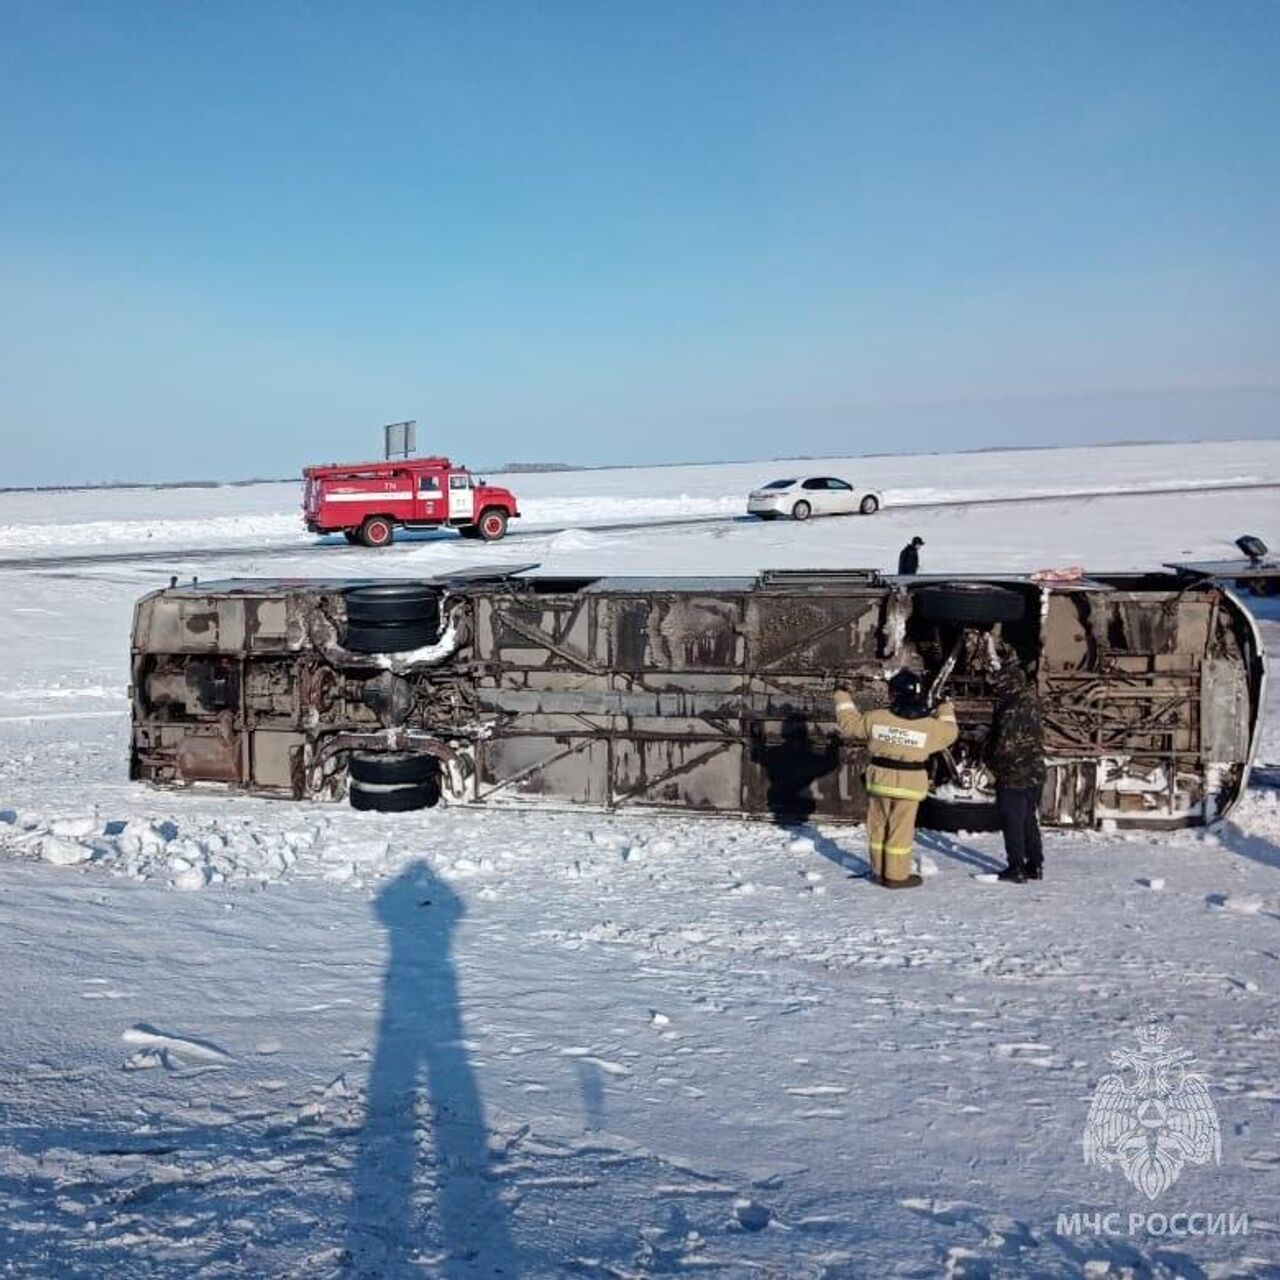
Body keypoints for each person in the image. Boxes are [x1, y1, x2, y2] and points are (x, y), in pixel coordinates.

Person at [833, 671, 959, 888]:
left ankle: (878, 871)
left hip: (880, 782)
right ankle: (896, 876)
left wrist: (841, 695)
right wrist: (945, 706)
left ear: (893, 695)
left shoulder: (876, 718)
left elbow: (849, 723)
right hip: (910, 785)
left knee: (877, 826)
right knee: (900, 830)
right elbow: (950, 733)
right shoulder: (929, 726)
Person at [988, 663, 1045, 883]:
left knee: (1013, 822)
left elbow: (1005, 746)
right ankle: (1035, 864)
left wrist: (992, 765)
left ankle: (1016, 867)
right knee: (1029, 819)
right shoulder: (1032, 703)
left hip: (1014, 775)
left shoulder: (1009, 709)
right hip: (1035, 773)